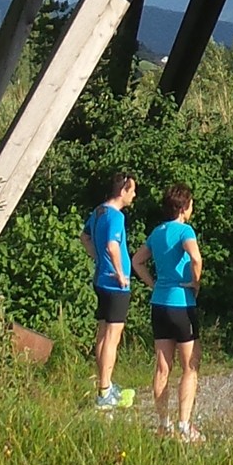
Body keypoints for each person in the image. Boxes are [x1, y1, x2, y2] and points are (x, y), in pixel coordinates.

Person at [134, 182, 204, 441]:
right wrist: (195, 282)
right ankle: (184, 426)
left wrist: (153, 283)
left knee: (163, 367)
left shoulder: (157, 232)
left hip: (159, 304)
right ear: (184, 207)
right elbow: (196, 257)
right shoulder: (185, 230)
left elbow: (136, 261)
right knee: (190, 366)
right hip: (181, 303)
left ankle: (163, 424)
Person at [81, 170, 137, 410]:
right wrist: (121, 274)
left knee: (103, 334)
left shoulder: (98, 211)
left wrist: (97, 260)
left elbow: (85, 237)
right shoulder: (116, 216)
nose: (134, 195)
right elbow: (113, 246)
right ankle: (104, 393)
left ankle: (105, 384)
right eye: (132, 190)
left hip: (101, 280)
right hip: (115, 285)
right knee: (113, 338)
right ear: (123, 190)